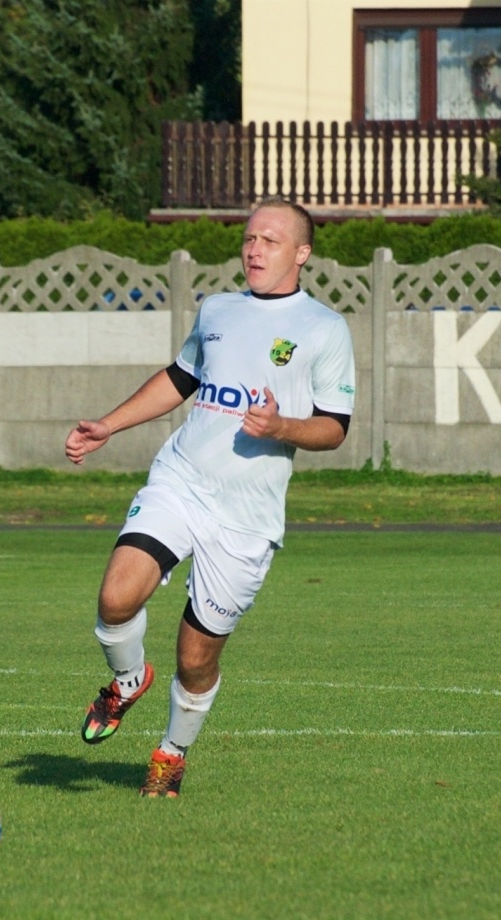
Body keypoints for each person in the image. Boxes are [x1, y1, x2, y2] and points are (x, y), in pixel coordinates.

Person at [65, 198, 356, 797]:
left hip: (247, 517)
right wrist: (108, 426)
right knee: (117, 596)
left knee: (195, 659)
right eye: (249, 238)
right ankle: (125, 682)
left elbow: (334, 426)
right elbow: (180, 378)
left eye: (270, 241)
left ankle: (171, 754)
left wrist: (282, 428)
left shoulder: (324, 329)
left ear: (301, 254)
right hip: (182, 481)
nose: (253, 249)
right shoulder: (218, 309)